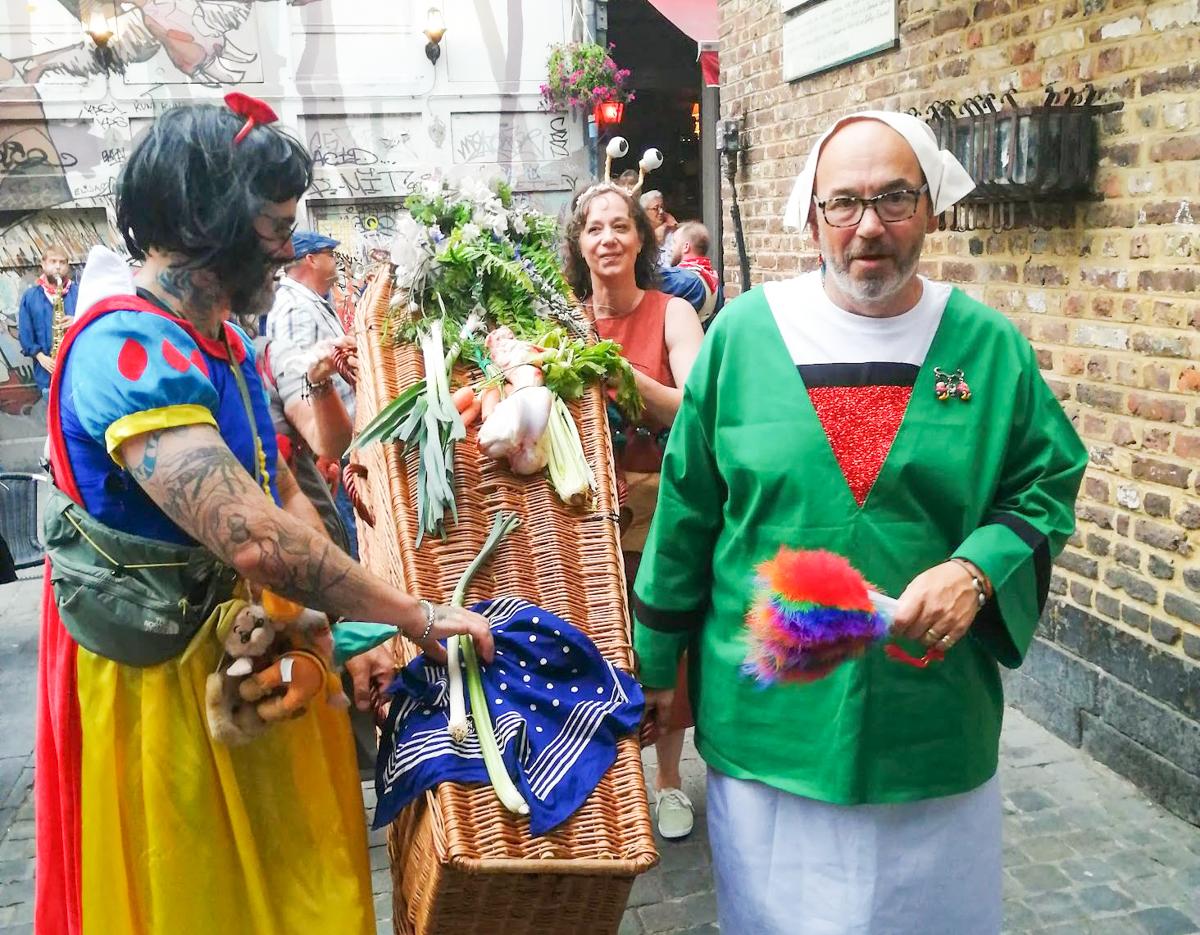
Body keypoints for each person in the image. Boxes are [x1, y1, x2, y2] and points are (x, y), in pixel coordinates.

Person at [35, 100, 493, 935]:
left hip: (259, 669)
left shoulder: (224, 340)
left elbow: (281, 490)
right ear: (212, 223)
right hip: (171, 698)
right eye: (276, 226)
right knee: (209, 902)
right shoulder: (127, 351)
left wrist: (338, 632)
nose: (290, 247)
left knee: (301, 882)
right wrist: (413, 615)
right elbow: (248, 533)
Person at [632, 111, 1087, 934]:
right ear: (812, 215)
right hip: (772, 726)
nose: (868, 225)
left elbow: (1046, 476)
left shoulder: (987, 347)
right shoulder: (742, 338)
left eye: (894, 198)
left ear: (932, 210)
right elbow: (686, 513)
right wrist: (656, 662)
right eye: (843, 203)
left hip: (929, 725)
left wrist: (977, 568)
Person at [563, 183, 704, 840]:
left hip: (659, 509)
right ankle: (608, 782)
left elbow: (699, 407)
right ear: (580, 242)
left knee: (661, 646)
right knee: (593, 650)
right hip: (581, 514)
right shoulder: (562, 319)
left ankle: (669, 781)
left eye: (621, 226)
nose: (609, 238)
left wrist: (619, 372)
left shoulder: (672, 312)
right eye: (595, 228)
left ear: (642, 239)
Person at [265, 230, 362, 557]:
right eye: (330, 254)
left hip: (340, 444)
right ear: (311, 258)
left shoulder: (314, 302)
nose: (335, 261)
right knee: (347, 542)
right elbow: (300, 386)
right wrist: (325, 457)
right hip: (332, 453)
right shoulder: (294, 309)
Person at [17, 245, 77, 396]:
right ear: (43, 264)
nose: (58, 266)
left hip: (76, 373)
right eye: (53, 261)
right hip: (46, 373)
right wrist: (40, 356)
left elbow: (95, 325)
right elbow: (25, 333)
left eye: (62, 262)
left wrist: (78, 321)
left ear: (67, 265)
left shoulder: (79, 293)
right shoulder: (30, 296)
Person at [658, 220, 723, 325]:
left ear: (686, 247)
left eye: (674, 242)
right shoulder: (713, 280)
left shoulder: (682, 279)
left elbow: (643, 278)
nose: (670, 248)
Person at [639, 189, 677, 267]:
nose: (661, 211)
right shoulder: (639, 231)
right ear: (644, 212)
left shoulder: (671, 229)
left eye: (662, 207)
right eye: (656, 208)